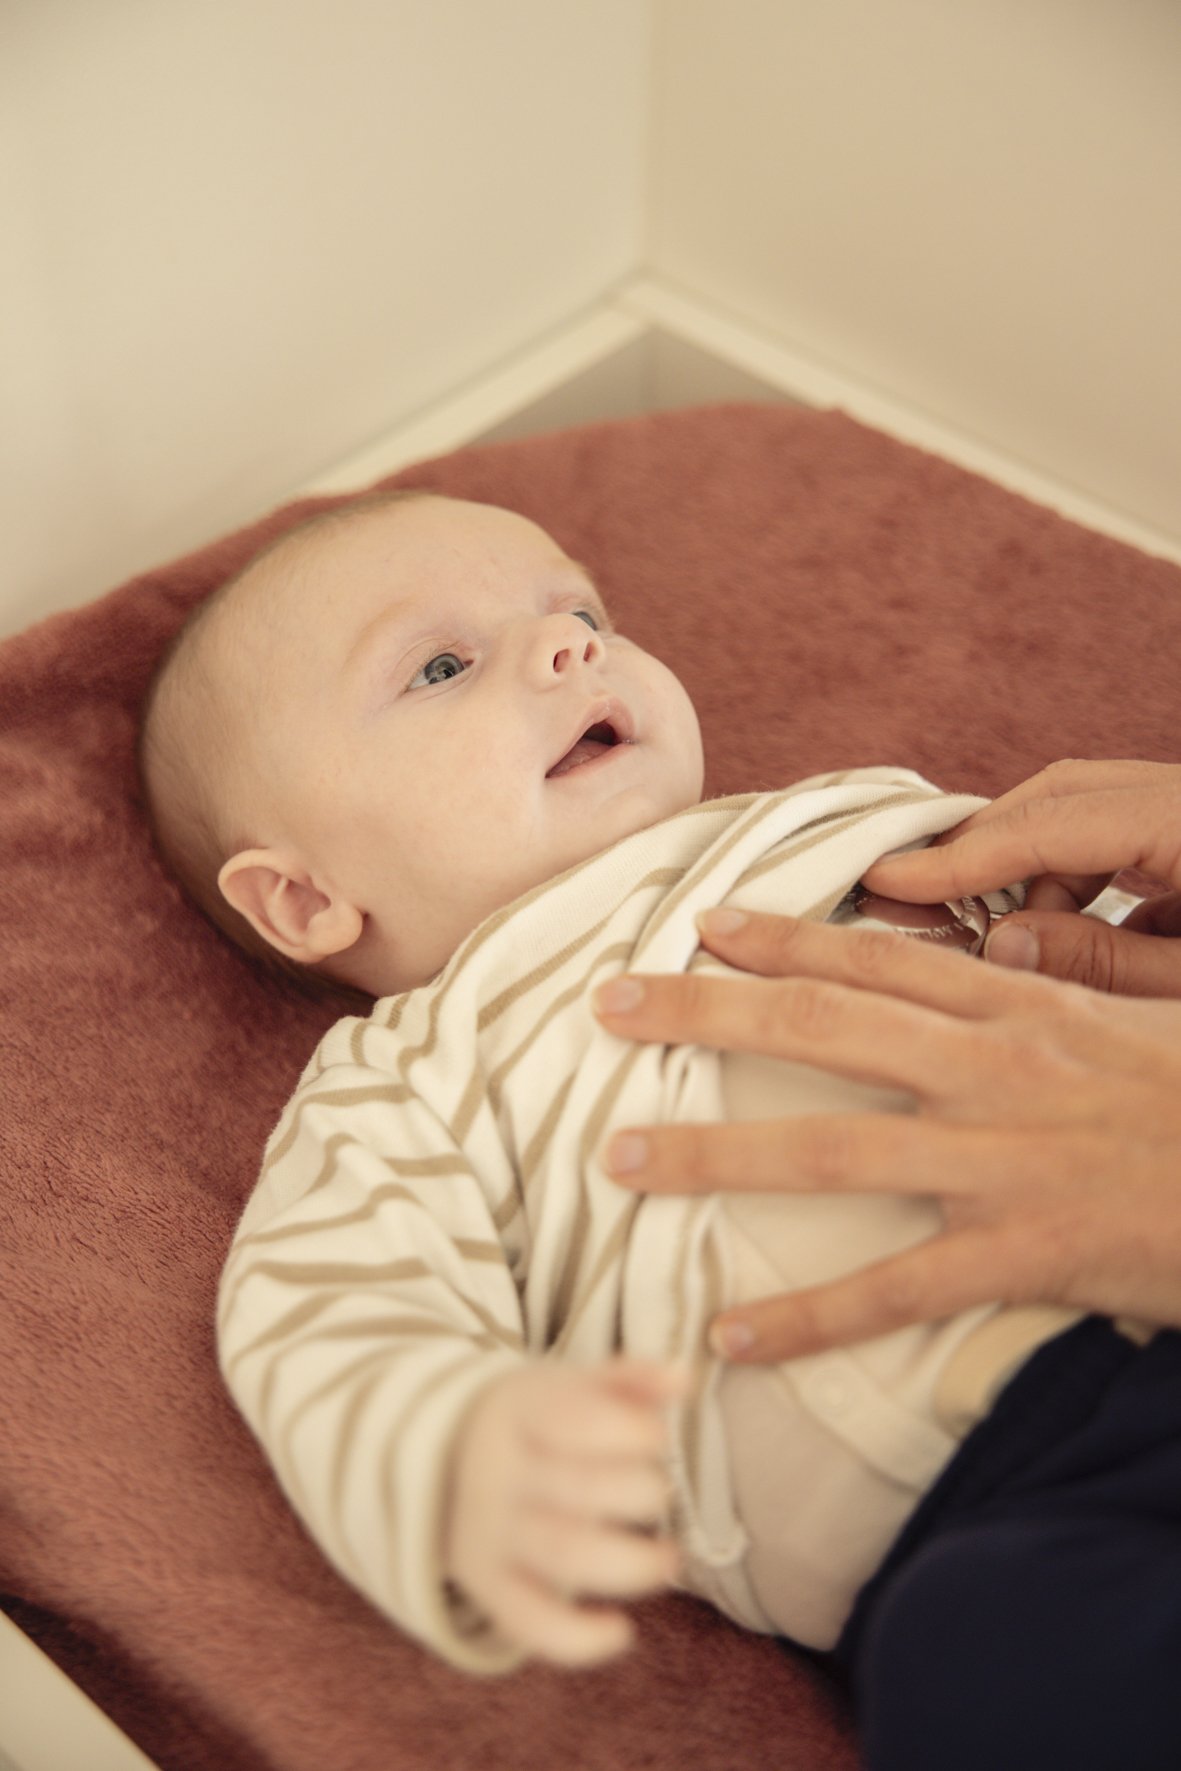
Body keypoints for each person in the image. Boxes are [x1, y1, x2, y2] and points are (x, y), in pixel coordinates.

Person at [141, 493, 1181, 1768]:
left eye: (579, 611)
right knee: (975, 1661)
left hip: (1145, 1266)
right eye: (441, 666)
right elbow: (324, 1307)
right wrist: (461, 1449)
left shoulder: (845, 824)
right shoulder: (413, 1074)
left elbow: (1103, 946)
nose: (568, 647)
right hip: (985, 1495)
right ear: (304, 897)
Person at [593, 759, 1181, 1365]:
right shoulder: (494, 1016)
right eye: (479, 663)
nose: (578, 655)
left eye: (621, 651)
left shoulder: (848, 808)